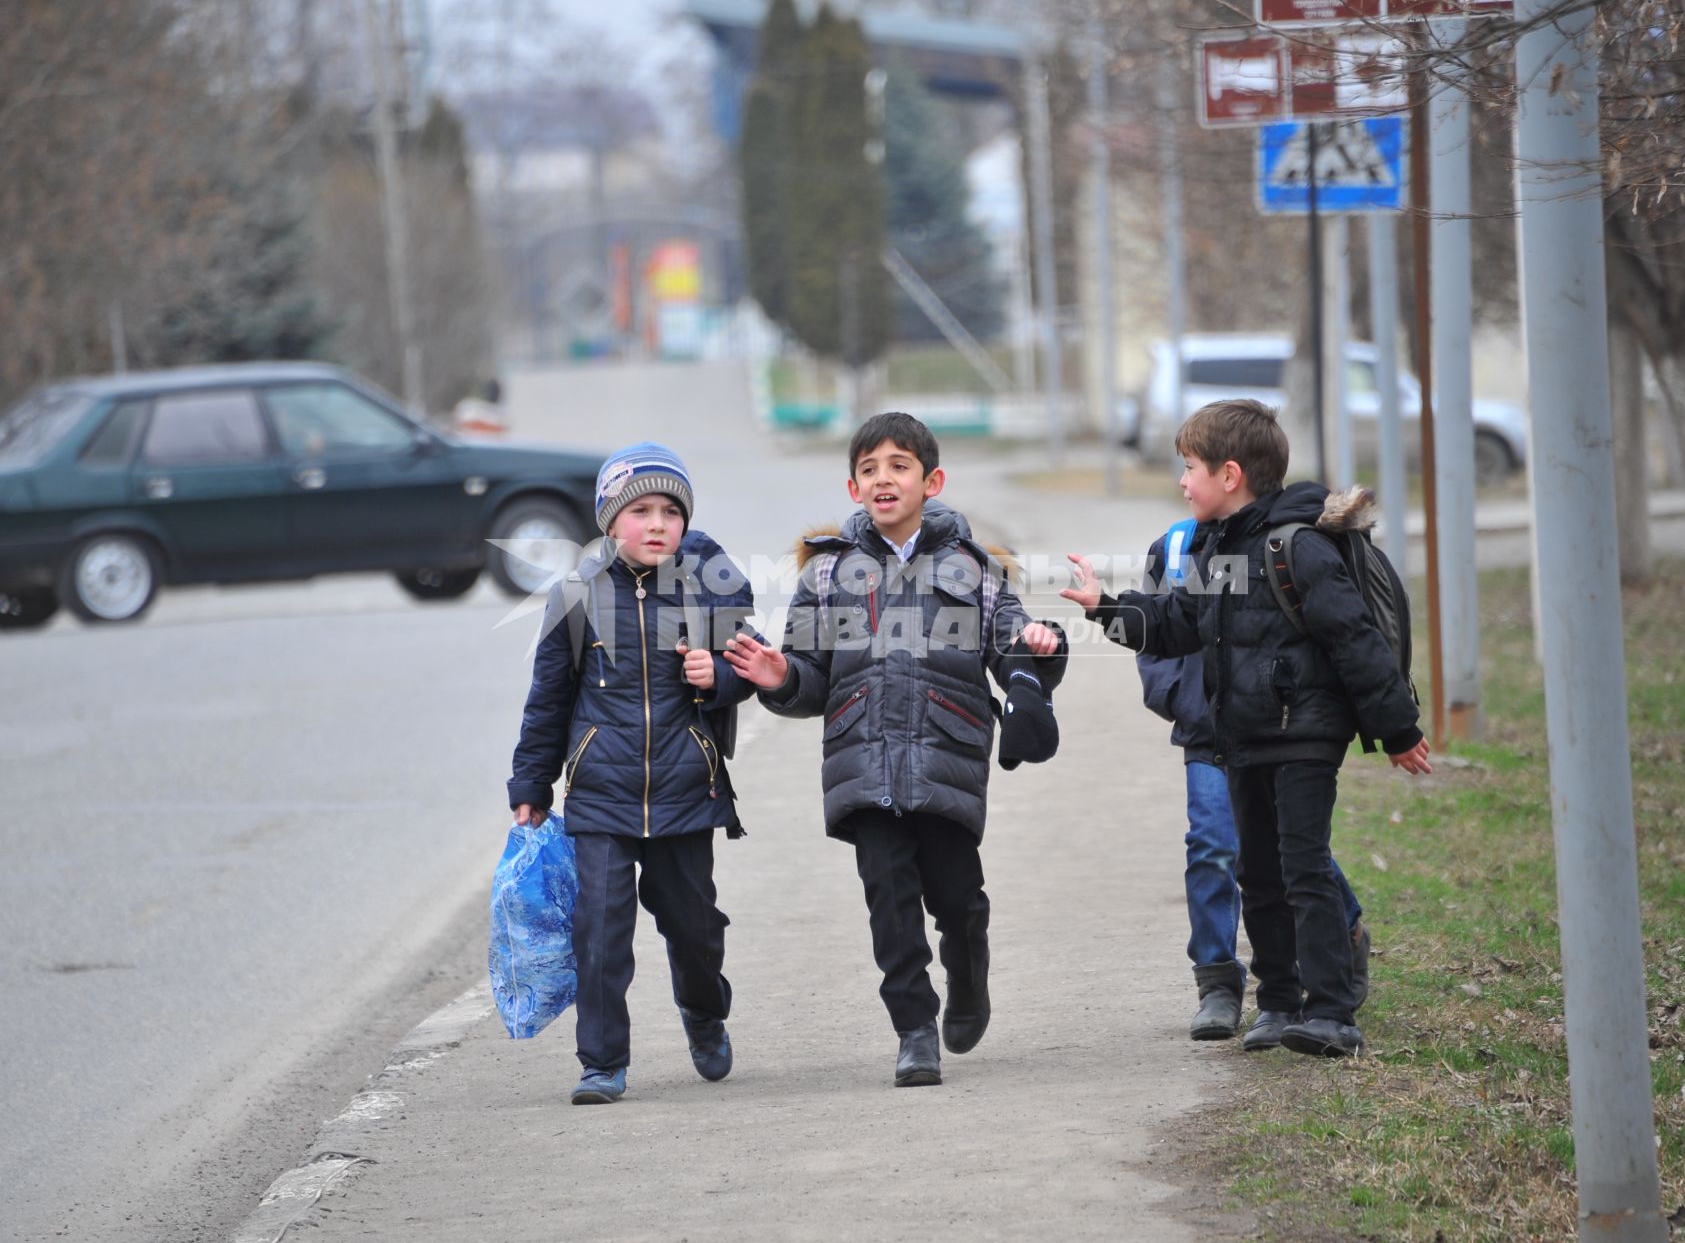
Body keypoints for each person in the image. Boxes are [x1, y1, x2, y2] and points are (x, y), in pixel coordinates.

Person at [1064, 400, 1430, 1059]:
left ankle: (1332, 1012)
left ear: (1229, 474)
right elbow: (1177, 624)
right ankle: (1279, 1003)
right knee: (1257, 872)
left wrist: (1398, 728)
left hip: (1304, 733)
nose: (1182, 481)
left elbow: (1355, 642)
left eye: (1189, 468)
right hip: (1242, 736)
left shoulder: (1300, 545)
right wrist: (1106, 608)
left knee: (1303, 866)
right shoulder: (1210, 548)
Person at [726, 412, 1065, 1087]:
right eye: (870, 468)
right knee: (889, 896)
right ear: (854, 487)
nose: (884, 477)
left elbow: (1013, 642)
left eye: (899, 465)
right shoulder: (827, 573)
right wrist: (779, 676)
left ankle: (969, 976)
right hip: (864, 760)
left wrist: (1040, 645)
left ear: (931, 480)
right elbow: (809, 676)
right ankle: (914, 1029)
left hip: (947, 754)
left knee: (959, 898)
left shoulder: (975, 569)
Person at [507, 443, 758, 1104]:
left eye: (670, 511)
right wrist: (530, 785)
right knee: (599, 929)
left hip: (685, 792)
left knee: (695, 928)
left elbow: (750, 667)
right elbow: (548, 700)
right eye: (640, 510)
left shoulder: (708, 591)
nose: (656, 523)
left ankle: (705, 1012)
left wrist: (719, 676)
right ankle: (603, 1061)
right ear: (609, 522)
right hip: (601, 794)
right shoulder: (576, 597)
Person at [1134, 516, 1372, 1045]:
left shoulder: (1283, 542)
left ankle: (1346, 929)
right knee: (1213, 845)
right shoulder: (1173, 547)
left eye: (1195, 467)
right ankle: (1218, 980)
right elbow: (1157, 638)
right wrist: (1184, 700)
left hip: (1270, 726)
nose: (1185, 482)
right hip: (1207, 728)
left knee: (1287, 846)